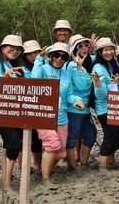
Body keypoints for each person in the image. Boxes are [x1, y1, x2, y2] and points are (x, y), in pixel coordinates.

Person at [32, 42, 87, 187]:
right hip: (43, 115)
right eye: (56, 55)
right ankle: (45, 180)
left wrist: (77, 99)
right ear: (50, 56)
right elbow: (33, 82)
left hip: (61, 116)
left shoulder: (66, 75)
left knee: (61, 150)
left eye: (63, 56)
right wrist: (39, 58)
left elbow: (69, 95)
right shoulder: (42, 69)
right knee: (53, 144)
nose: (59, 58)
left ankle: (46, 173)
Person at [0, 34, 27, 187]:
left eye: (18, 49)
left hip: (16, 111)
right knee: (14, 145)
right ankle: (6, 183)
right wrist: (5, 77)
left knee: (12, 144)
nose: (14, 50)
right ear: (2, 47)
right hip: (1, 112)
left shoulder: (13, 64)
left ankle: (9, 177)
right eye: (11, 47)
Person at [91, 37, 119, 171]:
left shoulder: (113, 64)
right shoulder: (97, 67)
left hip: (114, 106)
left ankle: (112, 161)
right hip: (104, 108)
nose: (109, 52)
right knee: (110, 135)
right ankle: (102, 166)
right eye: (106, 50)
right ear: (100, 52)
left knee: (116, 134)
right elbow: (101, 94)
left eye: (111, 49)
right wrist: (99, 83)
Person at [65, 34, 97, 169]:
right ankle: (72, 167)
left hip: (84, 108)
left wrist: (94, 48)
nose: (84, 48)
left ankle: (83, 164)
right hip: (74, 108)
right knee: (72, 139)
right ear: (74, 50)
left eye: (86, 45)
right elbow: (81, 86)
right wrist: (78, 66)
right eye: (80, 46)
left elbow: (96, 57)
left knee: (90, 135)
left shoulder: (85, 63)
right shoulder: (72, 66)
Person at [21, 39, 44, 173]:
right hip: (29, 107)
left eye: (37, 52)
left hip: (44, 106)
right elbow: (33, 82)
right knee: (32, 137)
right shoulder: (22, 70)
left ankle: (39, 165)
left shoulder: (45, 64)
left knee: (40, 138)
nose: (34, 55)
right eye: (30, 53)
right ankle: (34, 165)